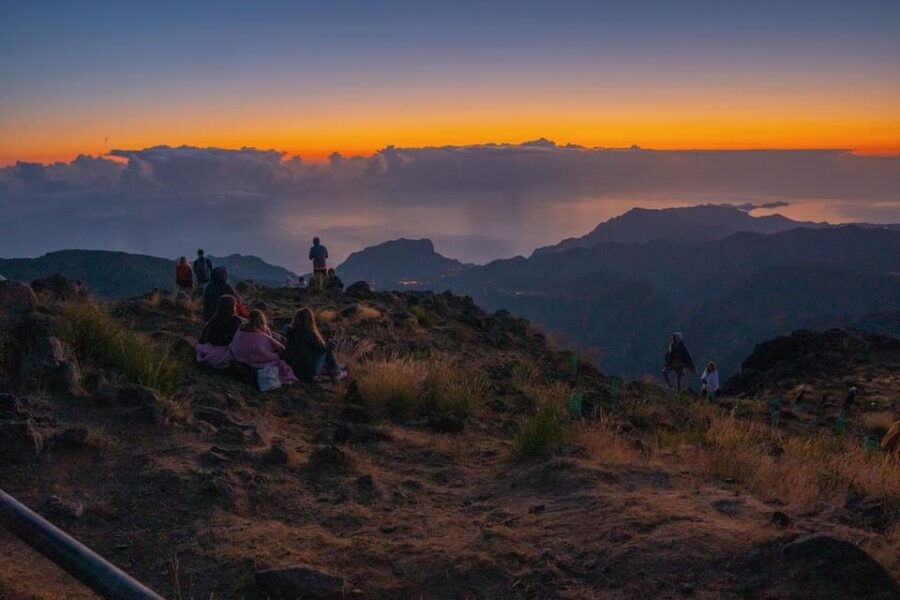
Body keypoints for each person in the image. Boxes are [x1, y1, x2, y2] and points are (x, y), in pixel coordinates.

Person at [228, 310, 298, 384]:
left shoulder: (240, 331)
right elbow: (282, 349)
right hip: (258, 361)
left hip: (240, 358)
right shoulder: (263, 337)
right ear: (262, 321)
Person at [283, 307, 346, 381]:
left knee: (320, 348)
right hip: (307, 373)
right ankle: (336, 372)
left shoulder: (290, 332)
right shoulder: (309, 334)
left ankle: (335, 366)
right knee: (327, 348)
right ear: (310, 320)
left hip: (292, 370)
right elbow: (322, 349)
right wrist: (331, 344)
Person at [196, 295, 242, 368]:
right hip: (226, 349)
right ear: (233, 307)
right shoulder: (236, 320)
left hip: (212, 346)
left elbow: (204, 335)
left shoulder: (214, 318)